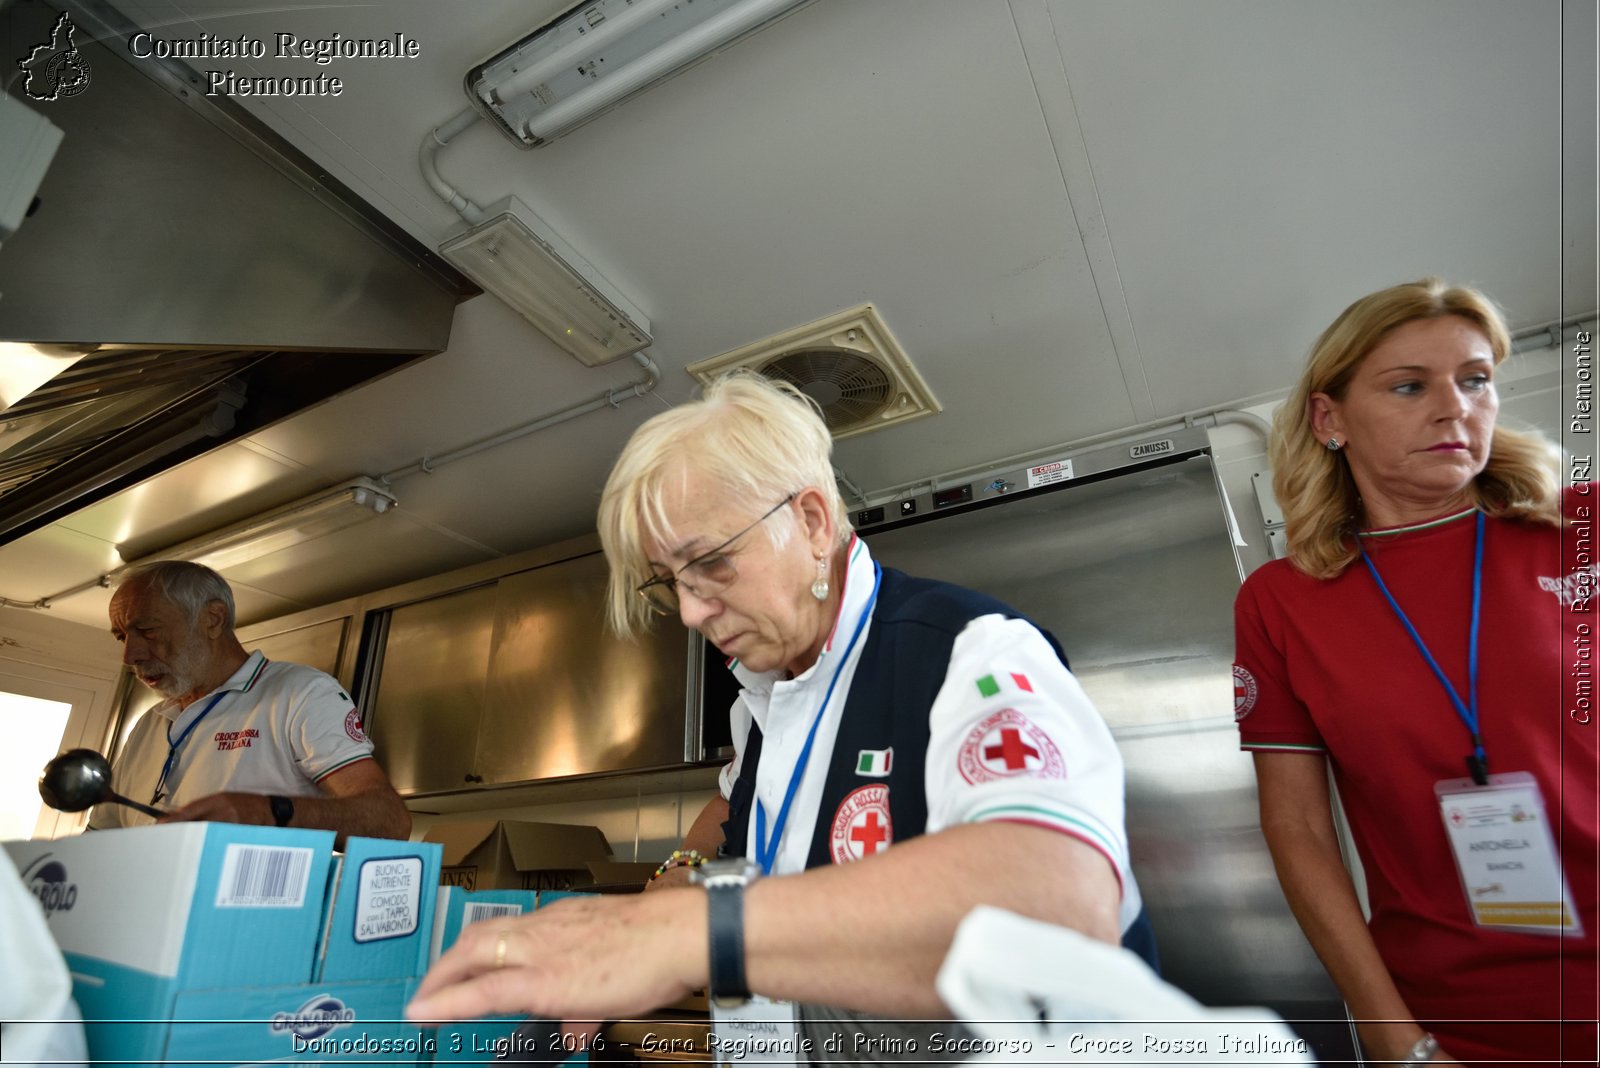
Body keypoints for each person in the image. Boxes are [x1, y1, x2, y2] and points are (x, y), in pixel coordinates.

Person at [409, 374, 1146, 1049]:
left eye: (712, 563)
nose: (691, 613)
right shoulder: (762, 701)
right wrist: (659, 901)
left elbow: (1059, 911)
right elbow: (730, 816)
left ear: (814, 522)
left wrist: (690, 934)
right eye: (669, 583)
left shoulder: (970, 653)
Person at [1232, 278, 1597, 1064]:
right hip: (1463, 1020)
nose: (1455, 407)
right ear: (1330, 420)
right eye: (1409, 386)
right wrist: (1396, 1040)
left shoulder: (1582, 530)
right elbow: (1297, 829)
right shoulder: (1280, 601)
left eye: (1475, 379)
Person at [86, 560, 411, 846]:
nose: (130, 656)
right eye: (121, 637)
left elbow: (388, 821)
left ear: (213, 619)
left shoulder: (300, 692)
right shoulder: (149, 723)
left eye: (147, 631)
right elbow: (101, 837)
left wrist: (265, 811)